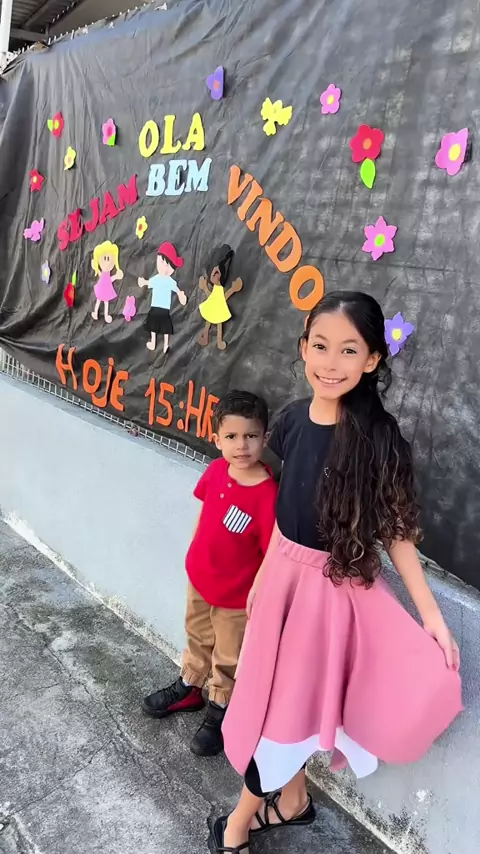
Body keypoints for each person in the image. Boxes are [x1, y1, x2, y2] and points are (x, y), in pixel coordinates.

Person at [214, 291, 463, 854]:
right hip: (282, 584)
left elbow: (397, 533)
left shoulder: (378, 437)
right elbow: (288, 510)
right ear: (303, 347)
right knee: (277, 700)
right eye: (320, 346)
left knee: (280, 718)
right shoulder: (290, 421)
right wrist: (263, 577)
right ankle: (294, 802)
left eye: (349, 350)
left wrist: (431, 616)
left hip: (331, 594)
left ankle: (238, 823)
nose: (331, 363)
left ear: (372, 359)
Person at [142, 390, 278, 757]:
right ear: (216, 439)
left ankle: (220, 707)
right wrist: (194, 554)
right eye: (231, 436)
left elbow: (272, 553)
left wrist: (259, 593)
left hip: (235, 597)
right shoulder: (216, 470)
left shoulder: (268, 495)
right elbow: (205, 516)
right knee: (197, 635)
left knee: (229, 654)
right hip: (201, 580)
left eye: (251, 436)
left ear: (265, 438)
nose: (241, 445)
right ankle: (190, 686)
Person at [138, 241, 187, 353]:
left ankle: (165, 345)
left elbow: (177, 290)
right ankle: (154, 342)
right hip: (157, 306)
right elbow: (149, 283)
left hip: (162, 308)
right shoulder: (157, 278)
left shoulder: (170, 281)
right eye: (162, 262)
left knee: (162, 327)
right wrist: (143, 282)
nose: (164, 267)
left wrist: (181, 296)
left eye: (167, 265)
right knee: (156, 326)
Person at [91, 240, 124, 324]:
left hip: (105, 289)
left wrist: (116, 276)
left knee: (105, 302)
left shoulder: (106, 274)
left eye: (109, 258)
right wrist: (95, 267)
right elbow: (107, 278)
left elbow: (109, 279)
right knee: (100, 301)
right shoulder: (103, 274)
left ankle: (105, 315)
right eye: (104, 258)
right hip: (103, 288)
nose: (106, 261)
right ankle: (96, 312)